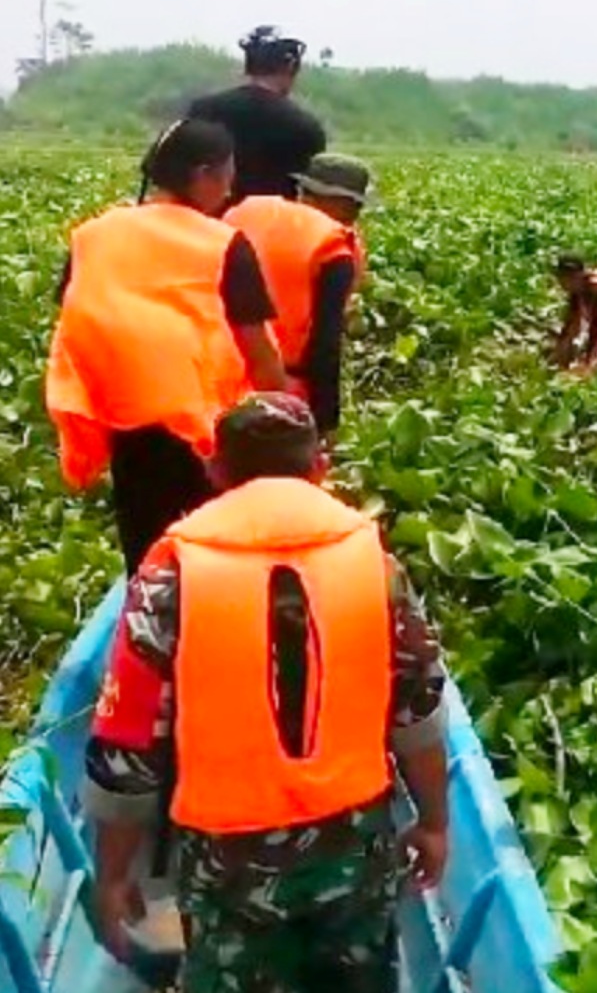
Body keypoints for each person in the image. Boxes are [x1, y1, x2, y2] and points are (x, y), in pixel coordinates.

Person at [86, 394, 449, 993]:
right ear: (319, 468)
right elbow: (420, 708)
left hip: (227, 860)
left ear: (216, 471)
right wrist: (434, 823)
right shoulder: (371, 559)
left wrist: (113, 872)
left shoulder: (171, 572)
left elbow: (129, 746)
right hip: (354, 842)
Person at [45, 119, 288, 572]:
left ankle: (149, 630)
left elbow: (77, 312)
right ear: (203, 176)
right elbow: (260, 353)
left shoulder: (94, 235)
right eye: (227, 175)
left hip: (126, 420)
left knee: (147, 552)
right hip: (208, 434)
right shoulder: (223, 243)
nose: (230, 189)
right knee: (213, 553)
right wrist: (285, 416)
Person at [223, 153, 380, 437]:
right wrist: (325, 421)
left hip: (216, 369)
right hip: (281, 383)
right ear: (337, 201)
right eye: (353, 204)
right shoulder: (330, 246)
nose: (356, 212)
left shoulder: (245, 212)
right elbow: (325, 345)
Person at [187, 26, 327, 205]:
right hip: (273, 228)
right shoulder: (305, 126)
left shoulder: (202, 110)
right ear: (291, 66)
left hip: (206, 227)